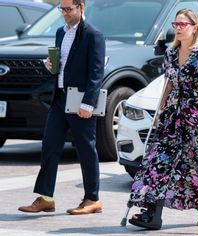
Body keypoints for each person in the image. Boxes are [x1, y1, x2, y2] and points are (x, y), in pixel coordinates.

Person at [127, 8, 198, 230]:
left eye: (183, 25)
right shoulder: (170, 53)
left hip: (196, 116)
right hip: (173, 117)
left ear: (194, 27)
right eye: (175, 24)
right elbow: (168, 84)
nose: (178, 28)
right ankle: (151, 213)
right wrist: (159, 111)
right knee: (157, 161)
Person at [18, 0, 105, 214]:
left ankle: (92, 199)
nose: (64, 13)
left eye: (68, 9)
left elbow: (96, 73)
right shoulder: (60, 32)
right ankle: (46, 197)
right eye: (61, 9)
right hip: (59, 99)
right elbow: (62, 65)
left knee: (86, 149)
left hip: (80, 101)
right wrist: (51, 66)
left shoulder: (93, 35)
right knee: (49, 145)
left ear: (81, 7)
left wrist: (88, 103)